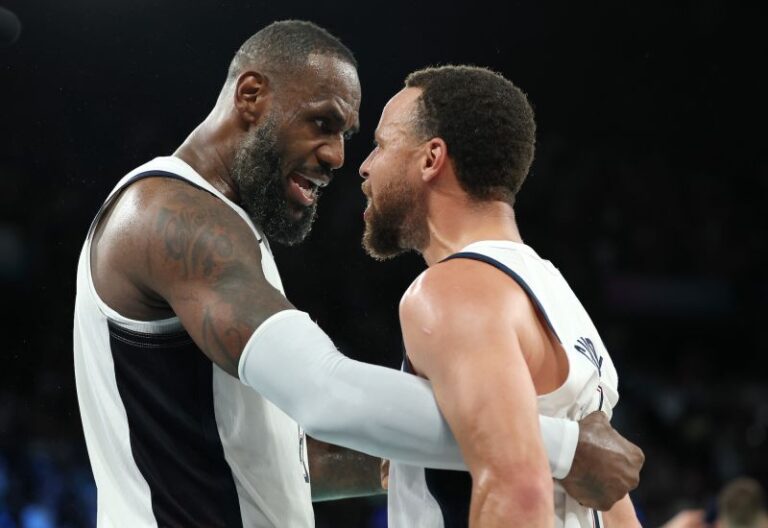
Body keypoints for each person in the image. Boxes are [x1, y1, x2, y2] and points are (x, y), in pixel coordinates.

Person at [73, 21, 643, 527]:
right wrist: (562, 447)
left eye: (348, 136)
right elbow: (324, 392)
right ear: (250, 96)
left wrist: (415, 457)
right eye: (322, 123)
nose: (340, 158)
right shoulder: (170, 216)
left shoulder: (230, 233)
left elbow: (280, 459)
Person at [358, 65, 643, 527]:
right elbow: (608, 500)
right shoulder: (553, 290)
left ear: (431, 159)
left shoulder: (452, 291)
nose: (366, 165)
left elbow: (517, 492)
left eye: (382, 144)